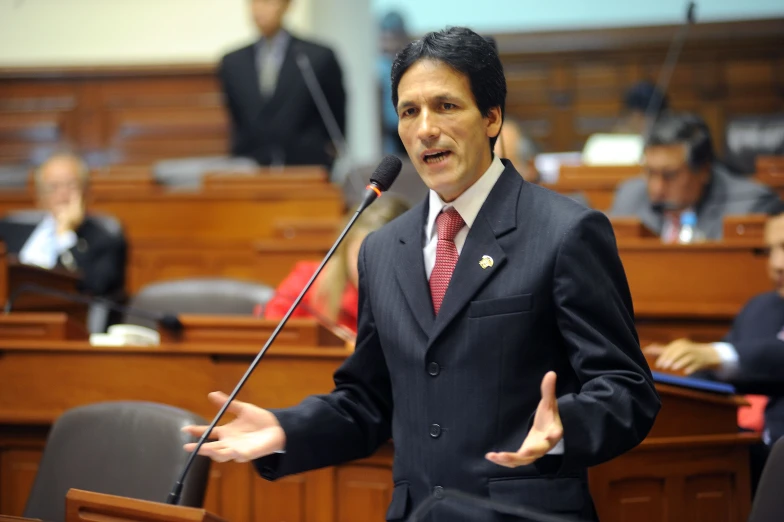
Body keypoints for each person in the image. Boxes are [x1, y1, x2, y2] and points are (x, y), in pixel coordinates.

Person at [185, 27, 660, 522]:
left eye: (446, 106)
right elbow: (368, 401)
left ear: (492, 117)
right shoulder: (383, 250)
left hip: (523, 513)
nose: (425, 128)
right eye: (409, 111)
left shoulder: (565, 232)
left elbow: (627, 387)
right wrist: (288, 430)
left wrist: (568, 426)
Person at [609, 112, 780, 240]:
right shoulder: (629, 197)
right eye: (650, 173)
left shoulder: (749, 208)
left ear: (704, 170)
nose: (656, 188)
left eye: (669, 175)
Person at [218, 0, 346, 169]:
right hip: (252, 166)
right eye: (254, 2)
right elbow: (236, 117)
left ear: (287, 6)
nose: (259, 10)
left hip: (306, 166)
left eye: (267, 2)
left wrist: (331, 152)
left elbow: (335, 112)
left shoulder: (317, 57)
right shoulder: (232, 62)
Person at [263, 196, 410, 333]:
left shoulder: (424, 296)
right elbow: (272, 333)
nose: (370, 268)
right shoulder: (308, 280)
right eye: (361, 256)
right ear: (345, 249)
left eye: (382, 258)